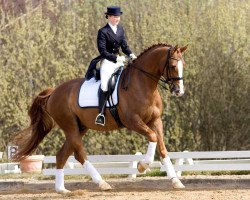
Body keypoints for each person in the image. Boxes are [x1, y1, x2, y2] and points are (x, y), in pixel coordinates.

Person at [85, 6, 136, 126]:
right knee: (104, 86)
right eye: (114, 17)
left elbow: (124, 46)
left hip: (119, 62)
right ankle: (101, 114)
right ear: (108, 17)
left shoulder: (120, 30)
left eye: (118, 17)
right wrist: (116, 58)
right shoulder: (103, 32)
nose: (117, 19)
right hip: (107, 62)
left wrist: (131, 54)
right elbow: (103, 51)